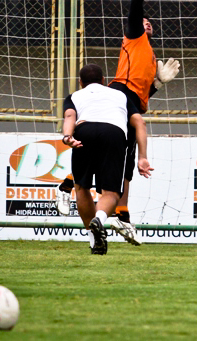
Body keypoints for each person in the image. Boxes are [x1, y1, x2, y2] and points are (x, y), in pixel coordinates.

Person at [54, 0, 181, 246]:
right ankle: (79, 192)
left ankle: (116, 214)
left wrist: (157, 85)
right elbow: (136, 3)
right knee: (121, 164)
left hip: (127, 102)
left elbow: (139, 98)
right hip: (119, 95)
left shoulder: (150, 56)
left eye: (149, 22)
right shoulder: (135, 37)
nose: (147, 22)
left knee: (123, 165)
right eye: (143, 20)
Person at [61, 63, 153, 255]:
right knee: (111, 192)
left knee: (81, 188)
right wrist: (142, 157)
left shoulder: (74, 96)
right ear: (104, 80)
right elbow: (140, 122)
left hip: (83, 131)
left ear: (80, 82)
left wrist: (68, 137)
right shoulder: (120, 95)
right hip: (113, 133)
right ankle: (100, 220)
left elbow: (69, 116)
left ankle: (94, 240)